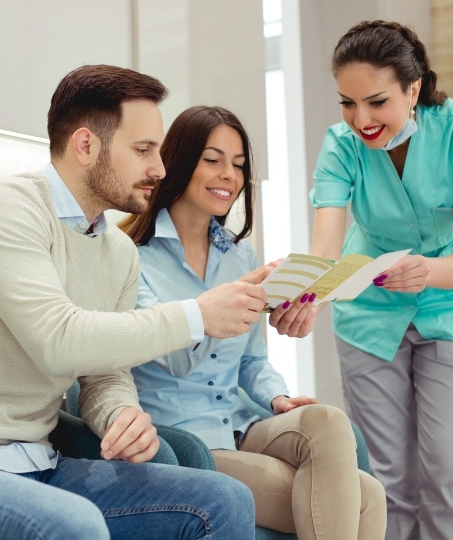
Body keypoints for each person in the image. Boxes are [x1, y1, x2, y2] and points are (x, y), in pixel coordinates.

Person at [0, 65, 266, 540]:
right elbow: (58, 341)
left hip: (40, 459)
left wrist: (119, 414)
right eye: (143, 150)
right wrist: (197, 315)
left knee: (223, 499)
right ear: (86, 146)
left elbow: (104, 372)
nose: (160, 169)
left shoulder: (117, 251)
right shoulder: (6, 210)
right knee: (74, 524)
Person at [121, 105, 387, 539]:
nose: (229, 173)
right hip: (184, 440)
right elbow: (174, 361)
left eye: (239, 164)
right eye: (213, 160)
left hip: (241, 423)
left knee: (330, 422)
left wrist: (277, 397)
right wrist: (222, 304)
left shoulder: (239, 255)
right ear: (180, 160)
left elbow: (252, 361)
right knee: (367, 498)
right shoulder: (131, 256)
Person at [292, 20, 453, 540]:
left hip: (446, 305)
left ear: (413, 88)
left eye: (376, 102)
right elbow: (325, 247)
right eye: (347, 103)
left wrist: (429, 272)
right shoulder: (341, 146)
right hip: (368, 313)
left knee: (447, 474)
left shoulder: (450, 132)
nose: (360, 120)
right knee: (387, 480)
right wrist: (307, 298)